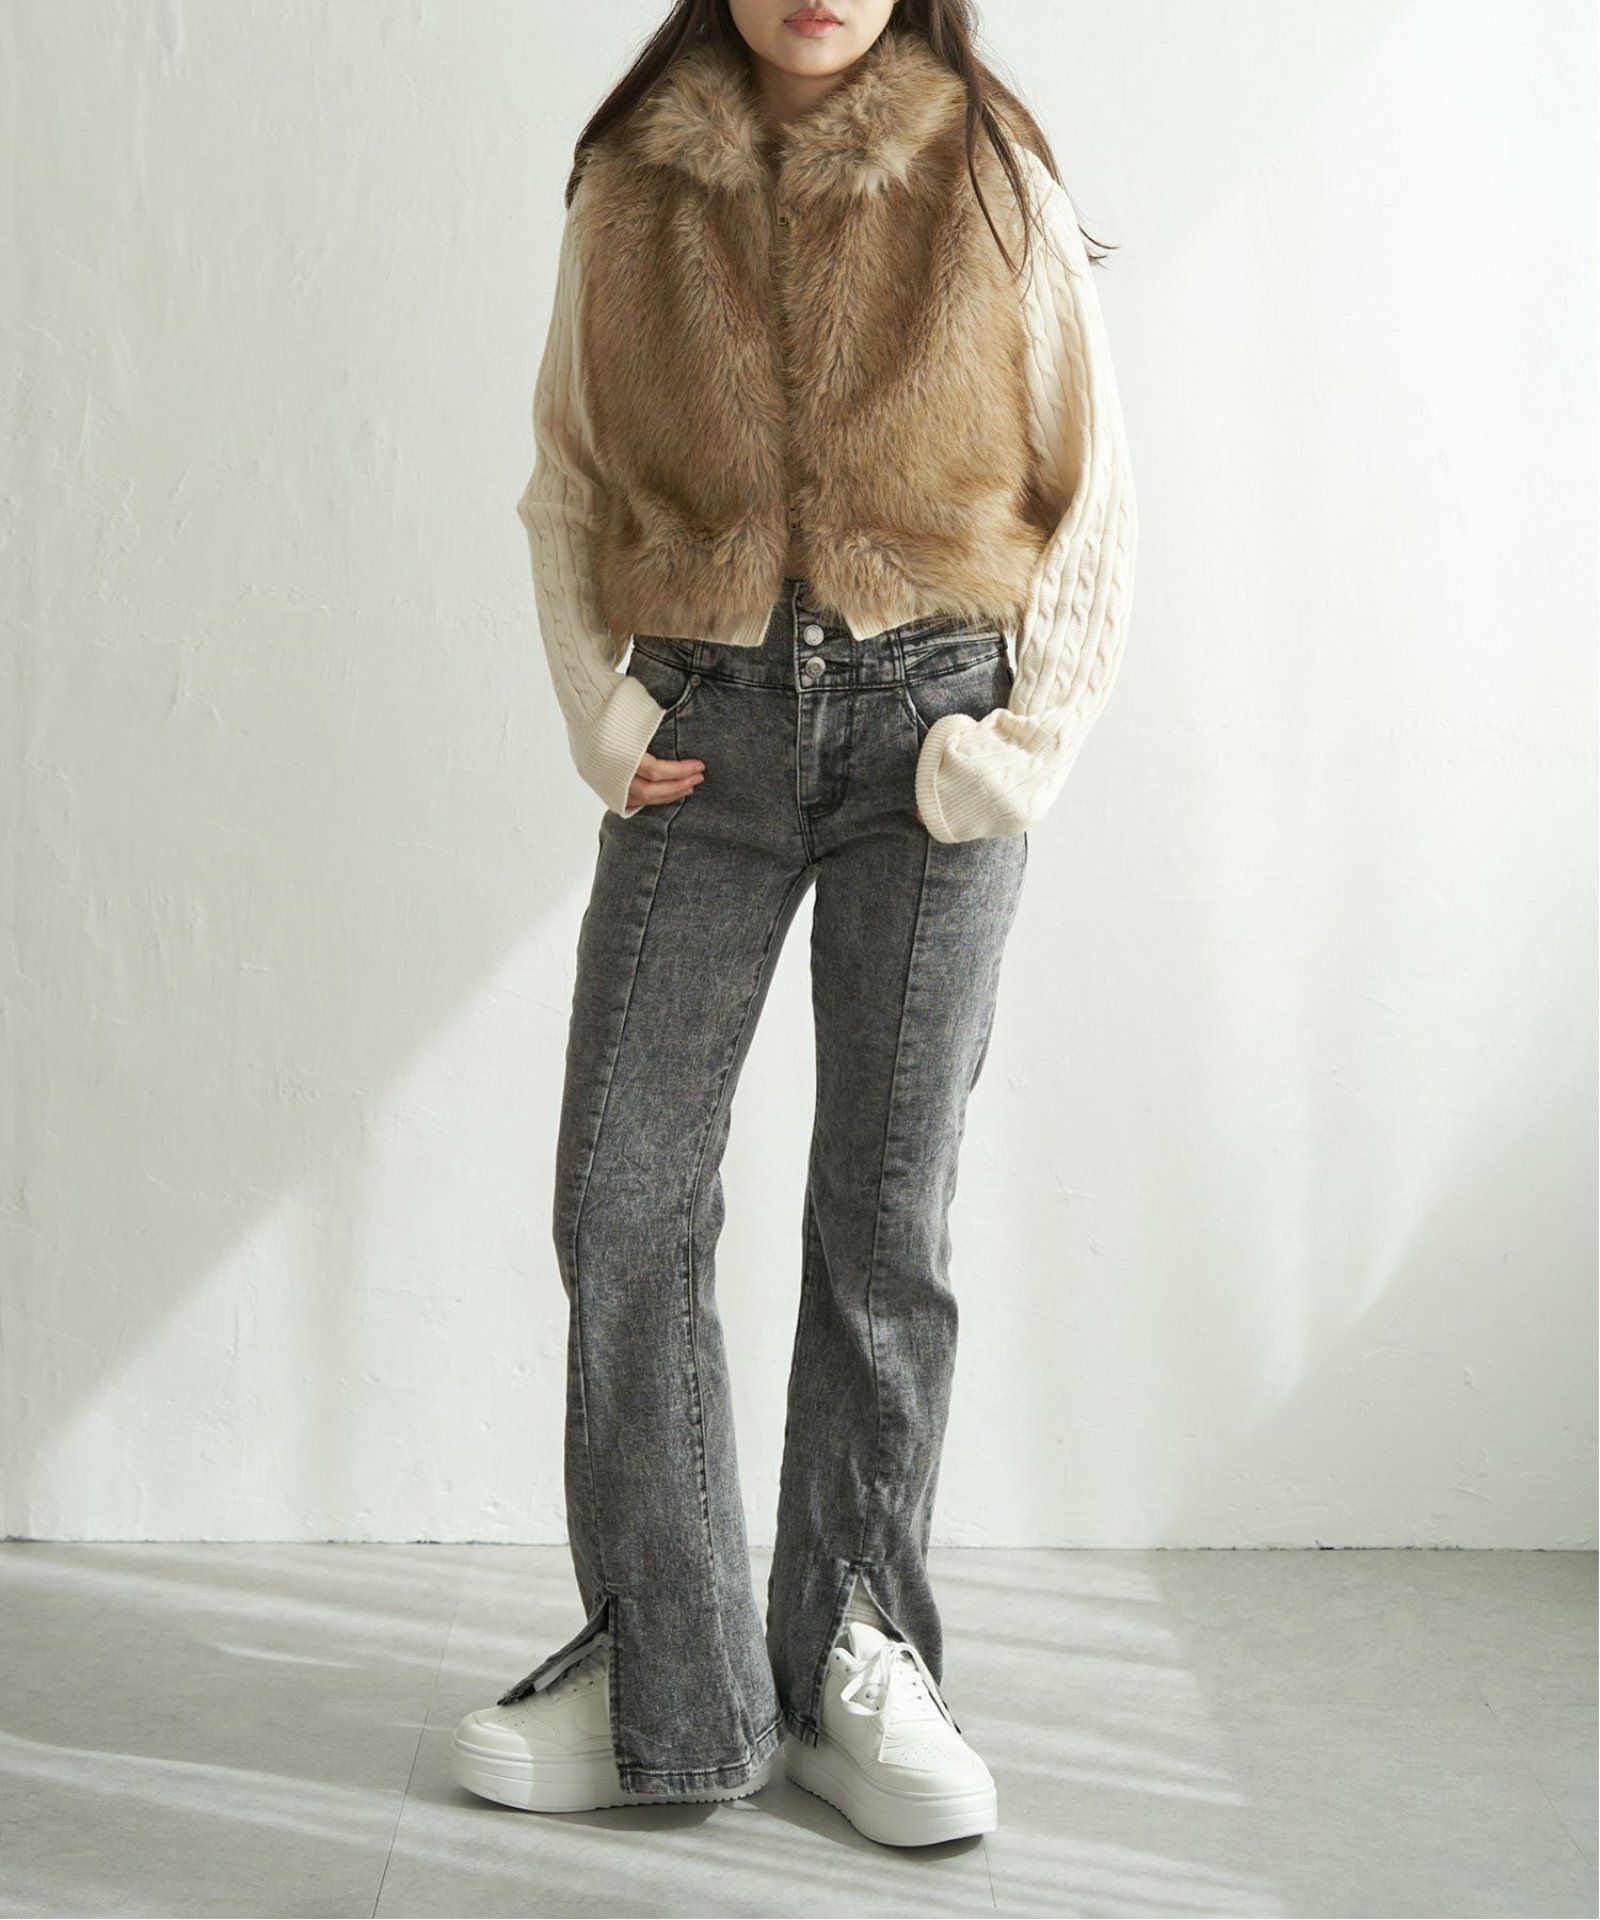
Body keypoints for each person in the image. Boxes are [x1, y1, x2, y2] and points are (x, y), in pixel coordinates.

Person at [451, 0, 1136, 1849]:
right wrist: (603, 716)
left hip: (936, 733)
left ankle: (854, 1655)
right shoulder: (628, 183)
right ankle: (671, 1677)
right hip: (710, 734)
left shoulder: (990, 170)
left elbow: (1095, 492)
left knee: (883, 1216)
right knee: (624, 1195)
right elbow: (565, 478)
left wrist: (1020, 751)